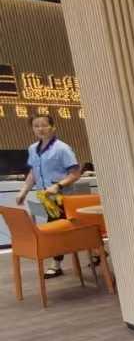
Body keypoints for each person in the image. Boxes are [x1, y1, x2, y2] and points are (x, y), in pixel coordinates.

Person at [14, 114, 82, 278]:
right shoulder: (32, 149)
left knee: (56, 230)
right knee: (69, 230)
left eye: (44, 125)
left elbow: (75, 174)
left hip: (63, 198)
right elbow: (33, 172)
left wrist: (58, 185)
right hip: (46, 198)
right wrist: (24, 191)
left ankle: (56, 265)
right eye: (36, 126)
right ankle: (96, 251)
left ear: (53, 127)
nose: (40, 129)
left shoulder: (62, 148)